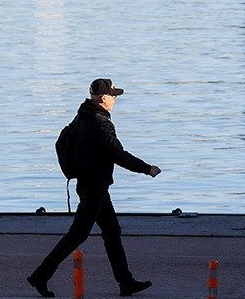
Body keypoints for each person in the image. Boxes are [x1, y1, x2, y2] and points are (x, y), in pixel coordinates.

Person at [28, 79, 161, 298]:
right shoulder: (99, 123)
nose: (115, 98)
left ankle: (125, 282)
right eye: (113, 95)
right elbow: (117, 154)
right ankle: (40, 276)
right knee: (77, 235)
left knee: (111, 232)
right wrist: (147, 169)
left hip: (90, 183)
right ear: (102, 98)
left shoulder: (82, 116)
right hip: (94, 187)